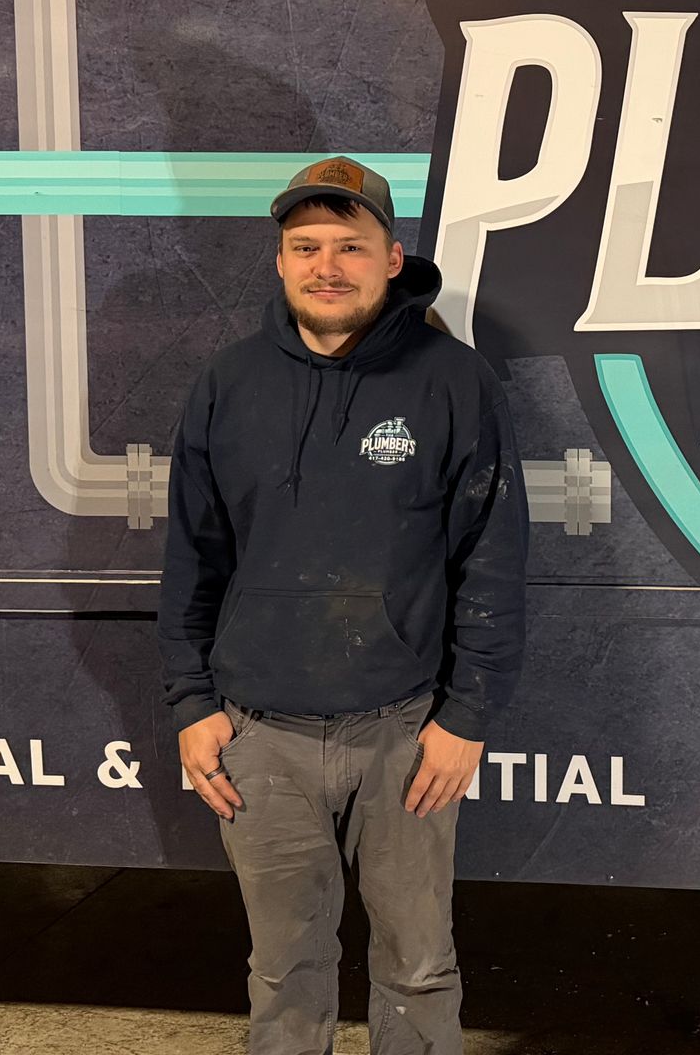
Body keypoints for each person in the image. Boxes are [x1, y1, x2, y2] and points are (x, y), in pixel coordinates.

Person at [157, 155, 528, 1055]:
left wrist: (465, 717)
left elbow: (492, 558)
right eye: (306, 246)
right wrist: (192, 703)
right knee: (284, 971)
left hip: (405, 734)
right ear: (281, 261)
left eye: (350, 246)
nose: (327, 266)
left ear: (392, 258)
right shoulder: (228, 384)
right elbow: (192, 558)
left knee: (418, 967)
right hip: (258, 737)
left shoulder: (454, 381)